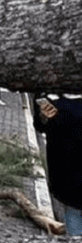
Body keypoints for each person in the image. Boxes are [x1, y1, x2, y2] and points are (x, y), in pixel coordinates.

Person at [35, 94, 82, 235]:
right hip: (65, 168)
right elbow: (39, 125)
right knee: (73, 212)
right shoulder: (46, 92)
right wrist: (43, 117)